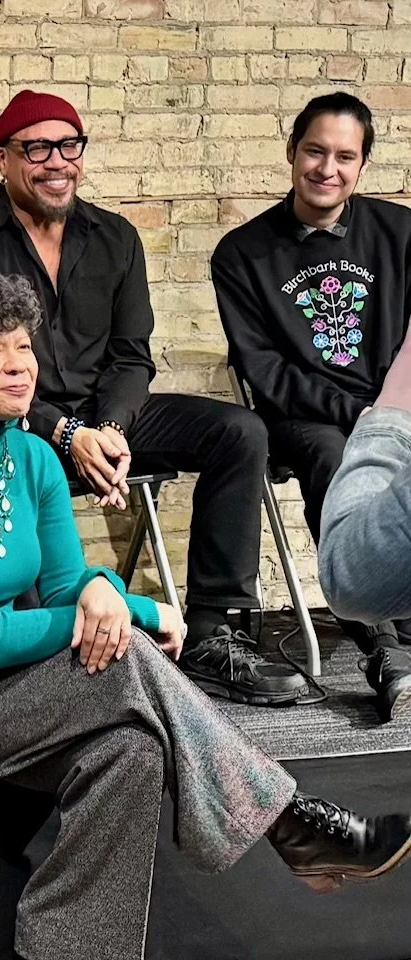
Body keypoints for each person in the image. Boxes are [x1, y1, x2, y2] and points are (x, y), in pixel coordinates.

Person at [0, 269, 411, 960]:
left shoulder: (33, 459)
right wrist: (135, 610)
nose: (17, 364)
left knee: (130, 752)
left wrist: (105, 589)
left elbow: (63, 587)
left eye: (23, 345)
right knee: (125, 654)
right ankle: (290, 821)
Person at [0, 89, 306, 708]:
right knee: (20, 433)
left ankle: (210, 631)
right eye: (37, 147)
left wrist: (109, 429)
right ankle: (23, 635)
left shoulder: (116, 236)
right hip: (9, 423)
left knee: (241, 432)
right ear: (2, 159)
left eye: (68, 145)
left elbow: (132, 354)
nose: (57, 161)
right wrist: (64, 432)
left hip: (107, 416)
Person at [213, 92, 411, 723]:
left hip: (393, 405)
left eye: (344, 156)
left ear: (363, 165)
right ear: (292, 152)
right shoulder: (243, 253)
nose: (328, 168)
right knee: (334, 453)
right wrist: (357, 416)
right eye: (315, 151)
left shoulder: (401, 234)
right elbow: (262, 369)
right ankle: (385, 649)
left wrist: (387, 410)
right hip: (304, 418)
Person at [320, 338, 411, 713]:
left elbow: (349, 581)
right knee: (323, 448)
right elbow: (264, 367)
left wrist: (380, 426)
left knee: (347, 574)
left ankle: (389, 645)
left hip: (379, 409)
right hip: (315, 408)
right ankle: (387, 646)